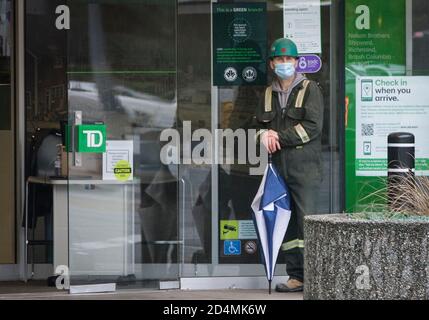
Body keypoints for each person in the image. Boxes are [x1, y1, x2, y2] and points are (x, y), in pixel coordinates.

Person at [255, 38, 324, 292]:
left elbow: (313, 128)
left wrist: (277, 136)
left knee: (308, 223)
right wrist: (262, 135)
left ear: (297, 62)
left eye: (289, 59)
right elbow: (258, 126)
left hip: (305, 168)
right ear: (272, 64)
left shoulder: (310, 89)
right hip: (279, 169)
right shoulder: (266, 93)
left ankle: (313, 278)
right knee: (286, 222)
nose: (285, 63)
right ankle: (296, 276)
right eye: (280, 59)